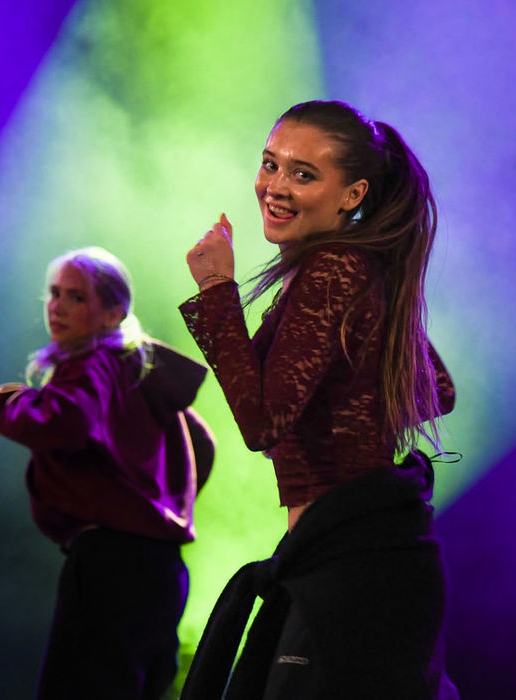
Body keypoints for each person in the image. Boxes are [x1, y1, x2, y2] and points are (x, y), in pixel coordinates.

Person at [178, 100, 459, 699]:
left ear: (352, 194)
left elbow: (263, 423)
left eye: (303, 174)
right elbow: (437, 389)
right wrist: (342, 409)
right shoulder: (352, 269)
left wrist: (216, 287)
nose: (275, 186)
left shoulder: (334, 268)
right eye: (270, 164)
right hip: (350, 552)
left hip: (353, 562)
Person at [0, 246, 215, 700]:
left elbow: (61, 421)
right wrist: (161, 503)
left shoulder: (92, 363)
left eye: (76, 297)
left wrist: (10, 400)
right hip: (161, 569)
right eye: (54, 293)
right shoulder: (141, 374)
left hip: (110, 567)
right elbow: (203, 444)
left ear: (114, 313)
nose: (57, 306)